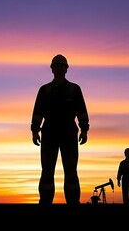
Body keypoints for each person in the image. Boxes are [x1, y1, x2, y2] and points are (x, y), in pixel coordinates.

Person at [31, 54, 90, 205]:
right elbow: (38, 112)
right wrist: (35, 130)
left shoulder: (74, 89)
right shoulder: (44, 90)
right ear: (52, 69)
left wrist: (84, 130)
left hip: (69, 134)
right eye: (56, 66)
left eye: (61, 66)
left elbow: (81, 111)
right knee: (47, 170)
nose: (58, 69)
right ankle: (45, 201)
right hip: (49, 133)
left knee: (71, 170)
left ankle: (72, 202)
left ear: (66, 69)